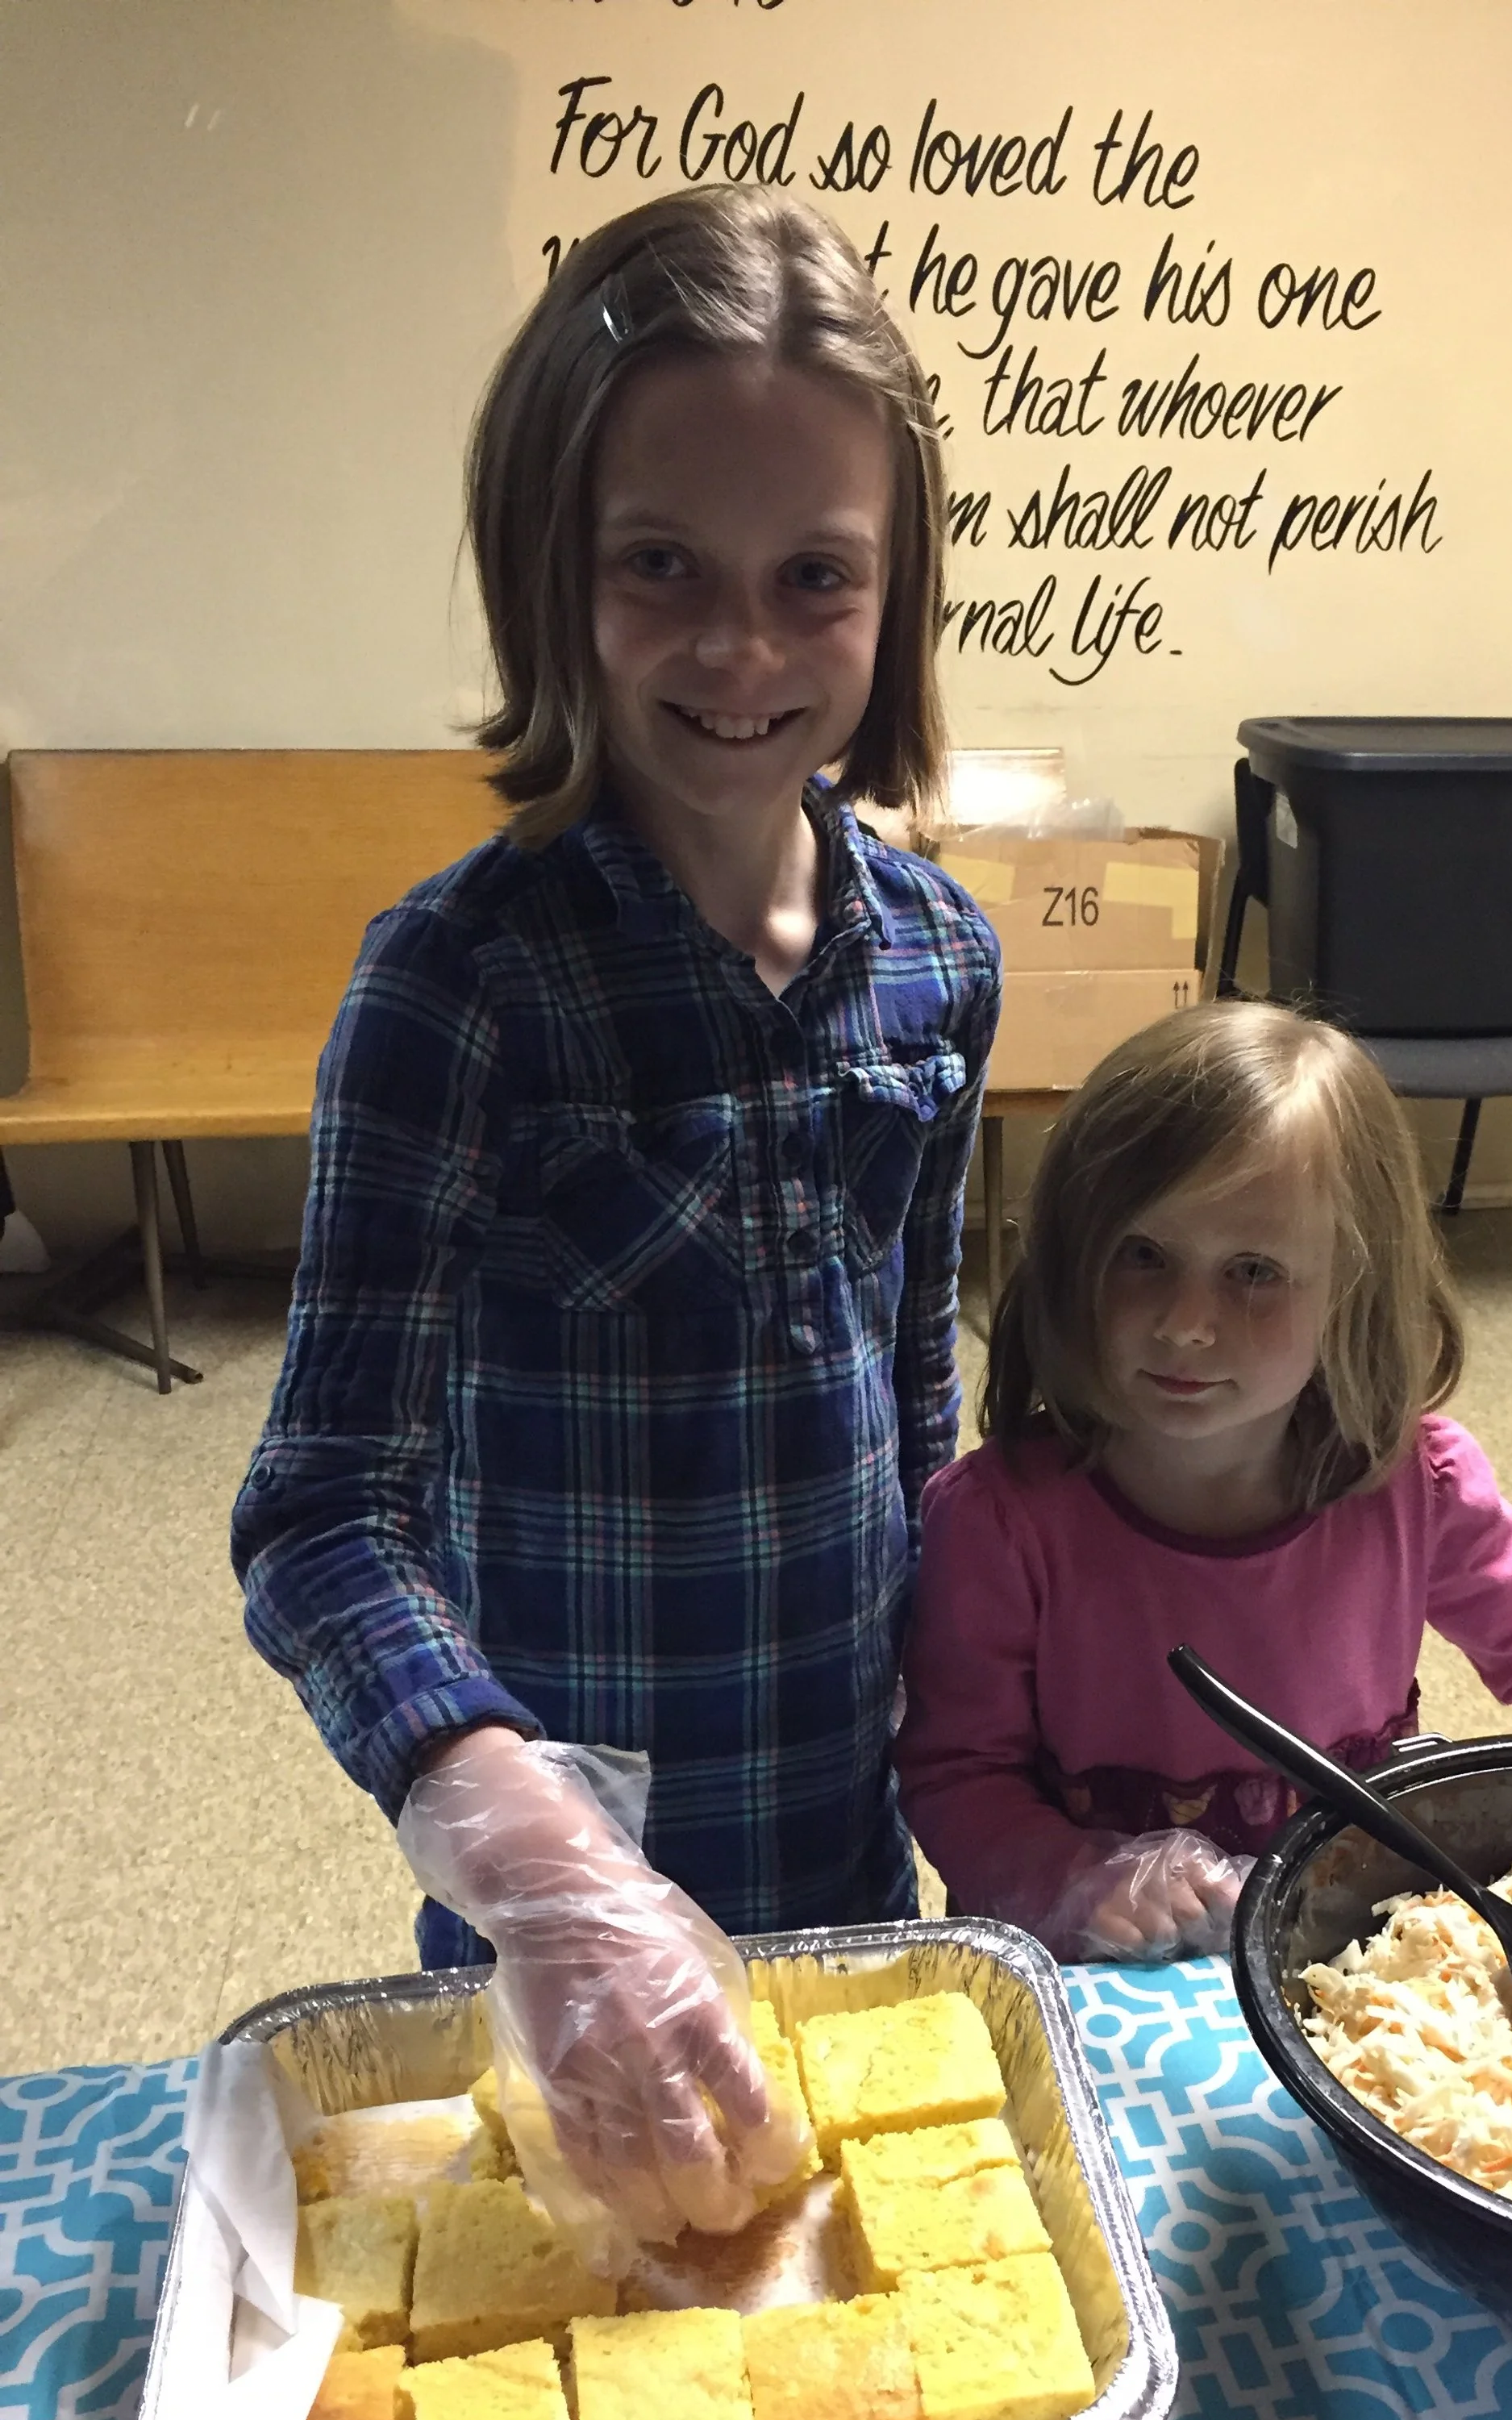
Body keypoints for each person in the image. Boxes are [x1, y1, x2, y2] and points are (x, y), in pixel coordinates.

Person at [232, 185, 998, 2239]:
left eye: (813, 578)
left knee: (841, 2342)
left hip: (846, 1849)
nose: (741, 648)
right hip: (547, 1899)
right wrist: (550, 1872)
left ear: (896, 589)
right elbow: (321, 1514)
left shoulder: (940, 963)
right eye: (662, 565)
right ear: (548, 569)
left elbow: (918, 1407)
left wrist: (1017, 1748)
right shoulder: (455, 990)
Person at [895, 1000, 1512, 1961]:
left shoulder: (1419, 1486)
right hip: (1099, 1973)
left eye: (1253, 1271)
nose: (1184, 1324)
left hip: (1335, 1960)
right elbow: (958, 1775)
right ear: (1072, 1252)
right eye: (1144, 1256)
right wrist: (1078, 1877)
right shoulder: (999, 1522)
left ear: (1353, 1292)